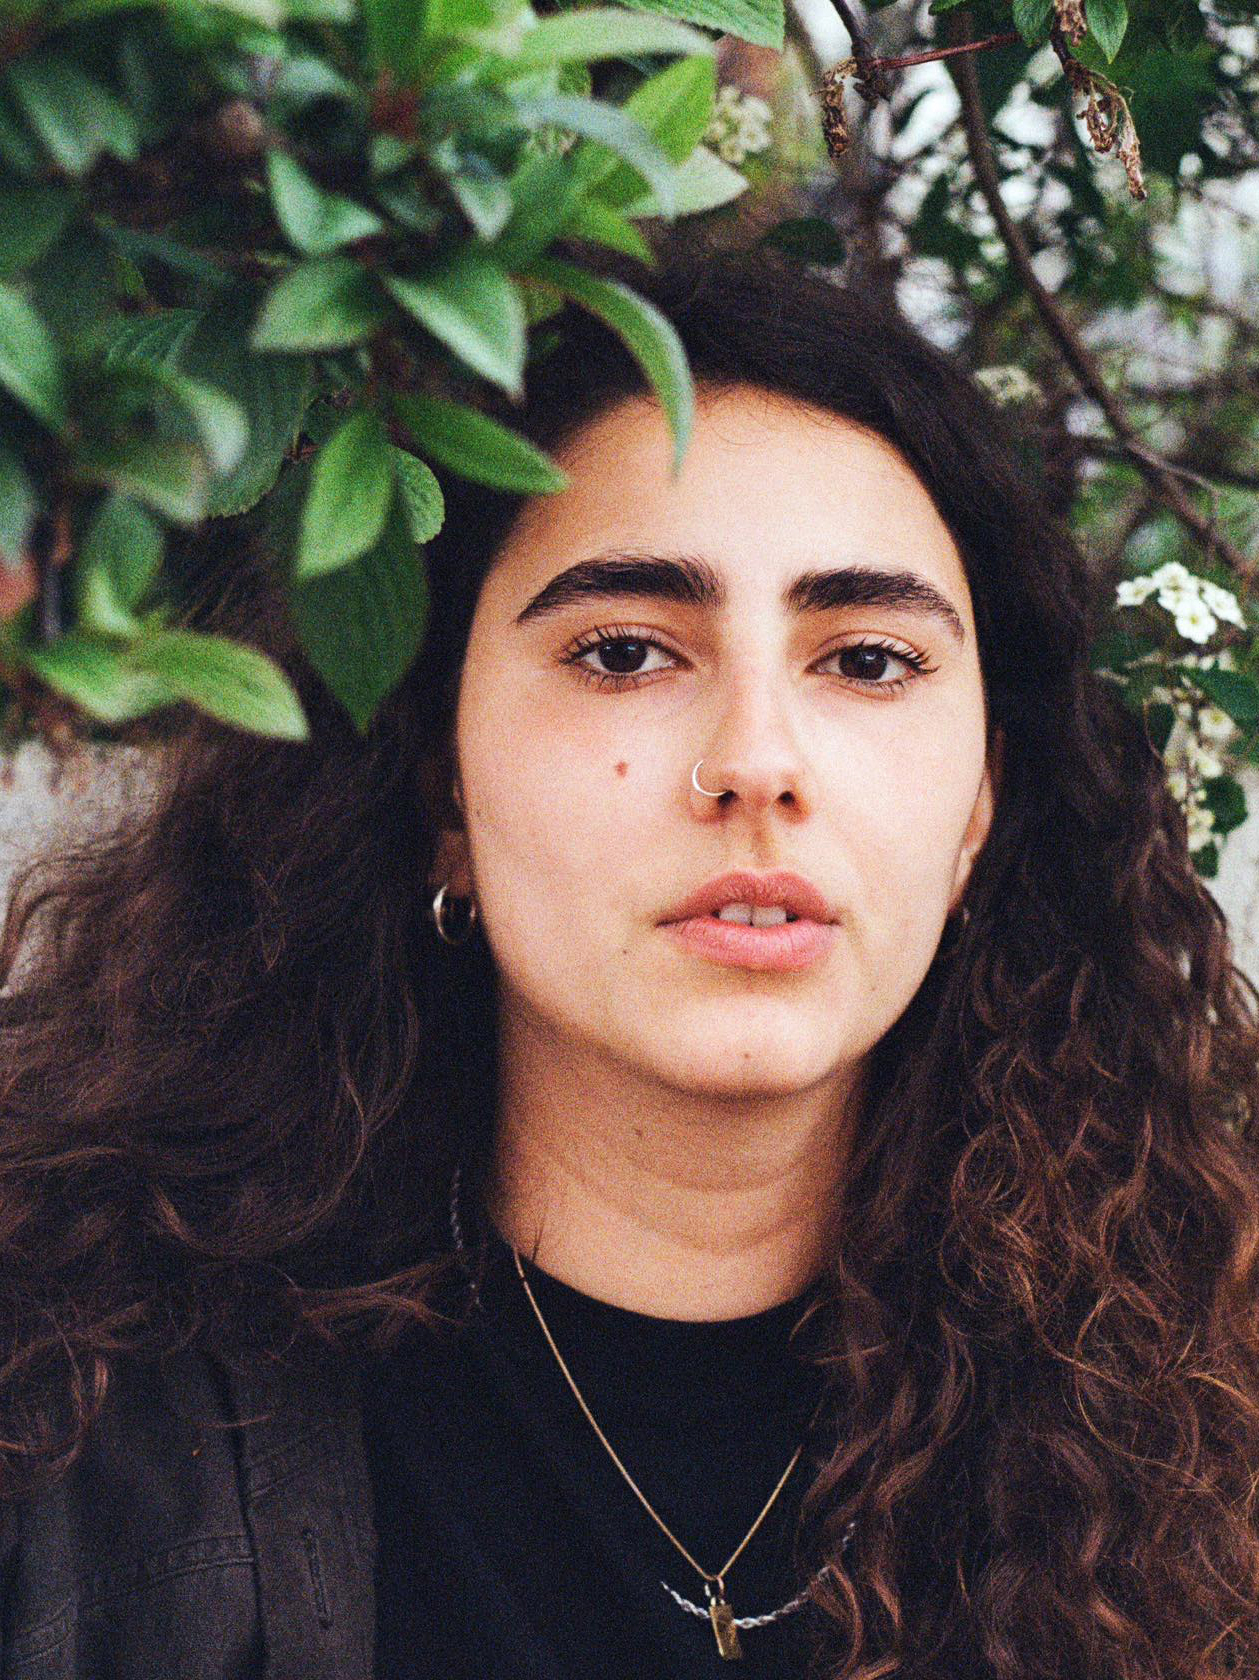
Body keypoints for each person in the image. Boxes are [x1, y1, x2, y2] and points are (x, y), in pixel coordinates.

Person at [1, 245, 1257, 1680]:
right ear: (441, 787)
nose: (757, 763)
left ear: (980, 804)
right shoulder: (71, 1411)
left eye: (867, 660)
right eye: (624, 652)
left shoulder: (1187, 1432)